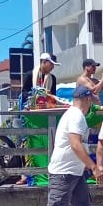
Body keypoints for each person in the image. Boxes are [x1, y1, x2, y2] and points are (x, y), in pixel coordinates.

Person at [26, 86, 103, 206]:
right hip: (63, 172)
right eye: (91, 100)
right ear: (86, 100)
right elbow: (75, 145)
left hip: (75, 171)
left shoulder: (72, 114)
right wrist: (93, 167)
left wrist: (85, 167)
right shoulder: (77, 116)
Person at [18, 52, 60, 185]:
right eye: (51, 64)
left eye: (53, 65)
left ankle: (46, 171)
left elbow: (53, 96)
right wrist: (37, 94)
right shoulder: (30, 75)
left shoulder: (52, 78)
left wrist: (48, 98)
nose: (52, 67)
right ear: (43, 62)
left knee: (47, 141)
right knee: (26, 141)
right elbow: (24, 93)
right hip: (30, 112)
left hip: (45, 113)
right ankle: (26, 174)